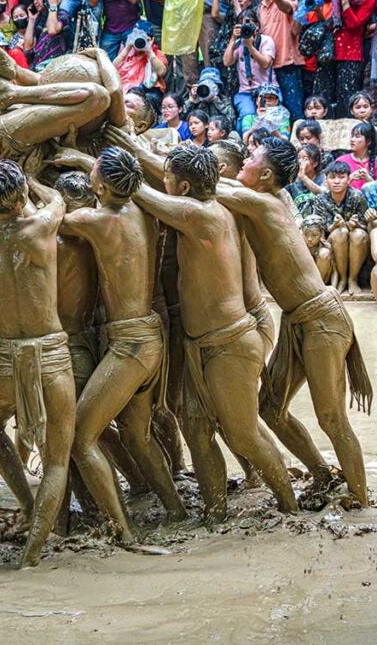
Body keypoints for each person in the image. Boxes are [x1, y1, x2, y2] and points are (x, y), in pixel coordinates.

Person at [126, 142, 298, 520]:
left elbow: (138, 190)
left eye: (169, 177)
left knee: (242, 433)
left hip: (230, 342)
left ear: (183, 187)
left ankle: (290, 506)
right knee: (196, 427)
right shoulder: (203, 206)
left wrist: (108, 159)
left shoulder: (201, 213)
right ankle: (214, 512)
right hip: (200, 343)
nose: (165, 180)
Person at [214, 137, 373, 506]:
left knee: (332, 418)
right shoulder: (275, 194)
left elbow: (205, 183)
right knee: (270, 407)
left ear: (266, 175)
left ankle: (362, 500)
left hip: (319, 318)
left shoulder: (261, 202)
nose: (245, 161)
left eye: (251, 158)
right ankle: (322, 474)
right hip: (297, 318)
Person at [43, 145, 187, 538]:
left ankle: (121, 529)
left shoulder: (96, 220)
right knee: (136, 434)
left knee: (80, 437)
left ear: (102, 188)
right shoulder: (143, 210)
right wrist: (81, 159)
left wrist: (37, 185)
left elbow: (51, 219)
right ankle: (176, 510)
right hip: (150, 334)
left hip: (129, 345)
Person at [0, 159, 76, 568]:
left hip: (7, 357)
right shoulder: (42, 226)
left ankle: (26, 504)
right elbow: (58, 197)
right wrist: (29, 180)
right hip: (49, 353)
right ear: (23, 196)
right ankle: (31, 556)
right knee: (58, 460)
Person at [315, 0, 377, 117]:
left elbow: (353, 24)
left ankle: (348, 132)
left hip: (351, 55)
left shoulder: (368, 2)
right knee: (326, 95)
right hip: (330, 52)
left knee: (347, 97)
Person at [318, 160, 371, 294]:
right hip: (334, 240)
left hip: (356, 240)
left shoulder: (357, 196)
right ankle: (342, 279)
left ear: (348, 179)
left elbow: (367, 224)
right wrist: (334, 226)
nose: (336, 181)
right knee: (340, 233)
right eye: (332, 177)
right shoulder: (321, 199)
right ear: (326, 180)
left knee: (358, 234)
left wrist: (356, 224)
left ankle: (353, 279)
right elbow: (320, 229)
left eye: (341, 177)